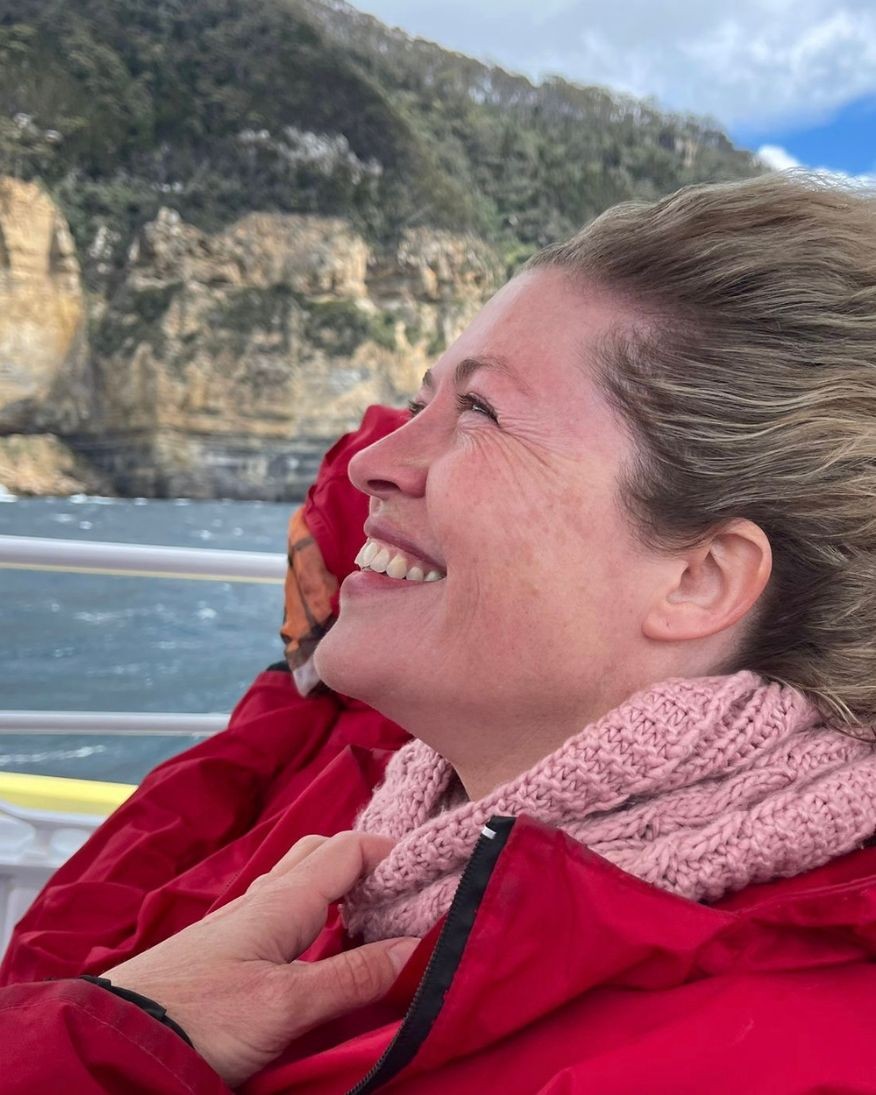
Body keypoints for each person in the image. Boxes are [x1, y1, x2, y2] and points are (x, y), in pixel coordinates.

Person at [3, 171, 876, 1092]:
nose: (371, 462)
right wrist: (124, 1035)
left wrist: (114, 1047)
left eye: (482, 413)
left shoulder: (761, 1059)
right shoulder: (399, 841)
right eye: (423, 400)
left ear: (699, 579)